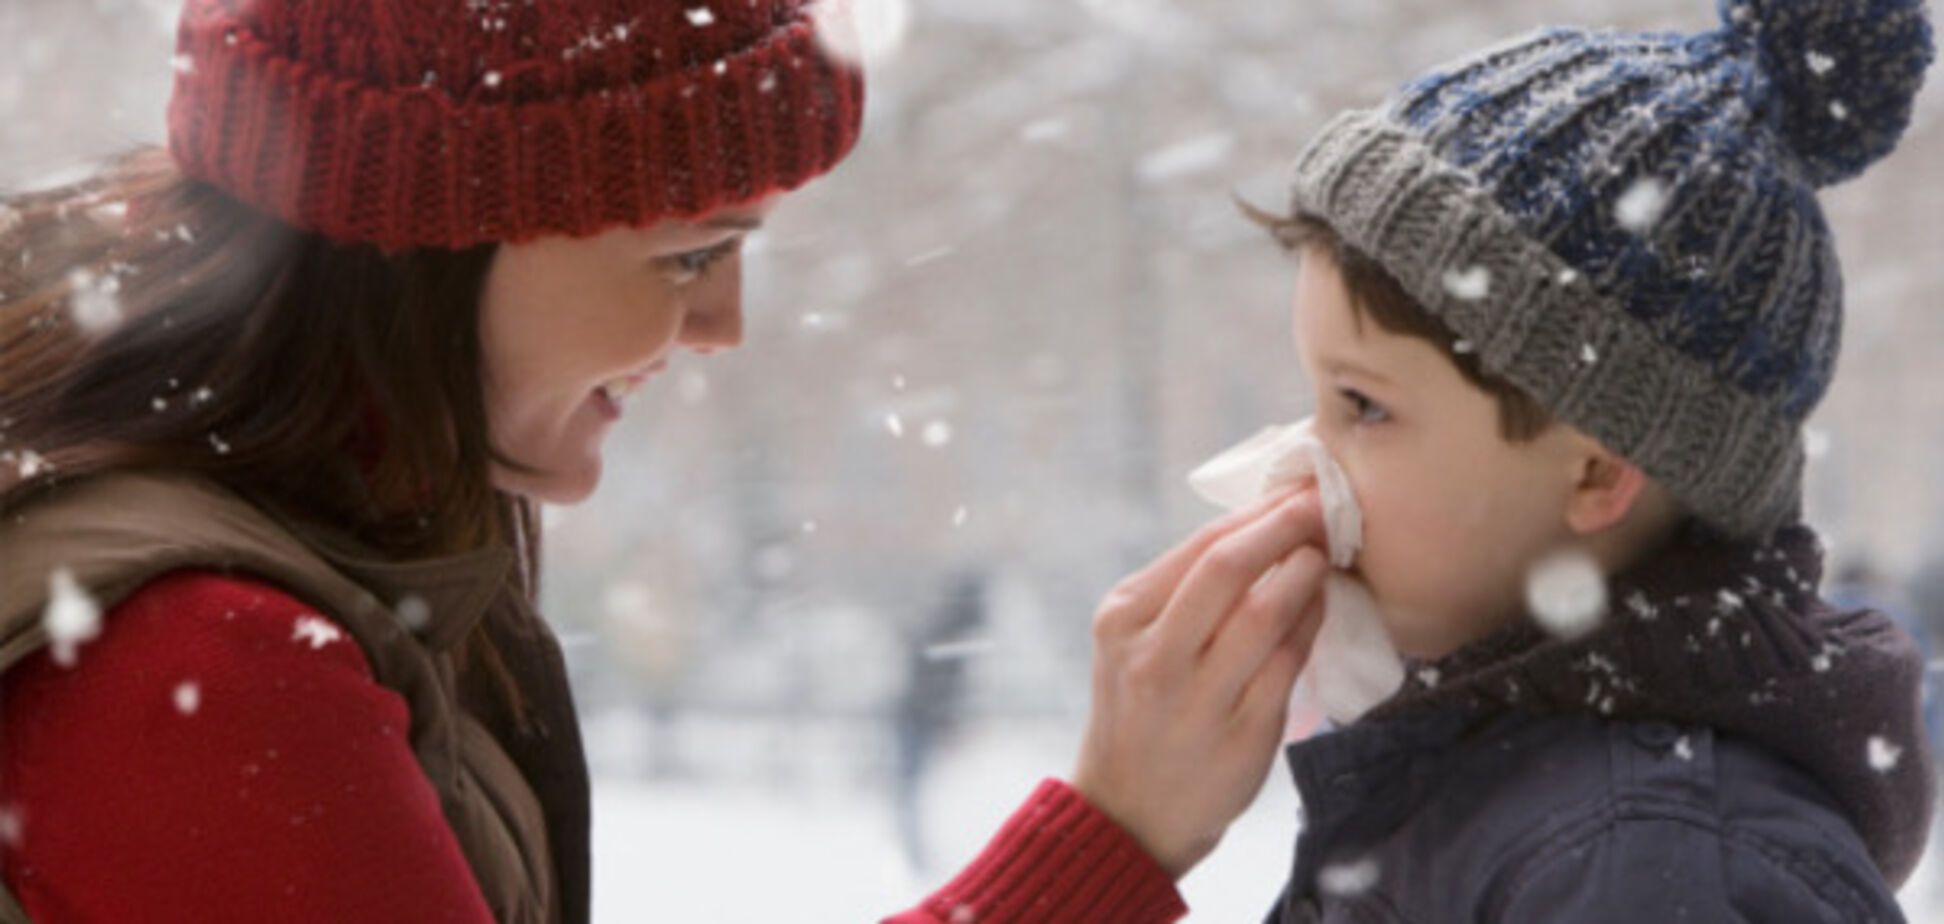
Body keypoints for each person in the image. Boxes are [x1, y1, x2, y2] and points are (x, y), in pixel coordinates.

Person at [0, 2, 1331, 922]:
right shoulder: (197, 665)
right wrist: (1108, 842)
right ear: (427, 238)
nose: (720, 327)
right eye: (689, 255)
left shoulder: (310, 536)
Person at [1224, 0, 1936, 919]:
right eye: (1315, 398)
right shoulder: (1483, 785)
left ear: (1597, 472)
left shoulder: (1652, 863)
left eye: (1363, 406)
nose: (1300, 462)